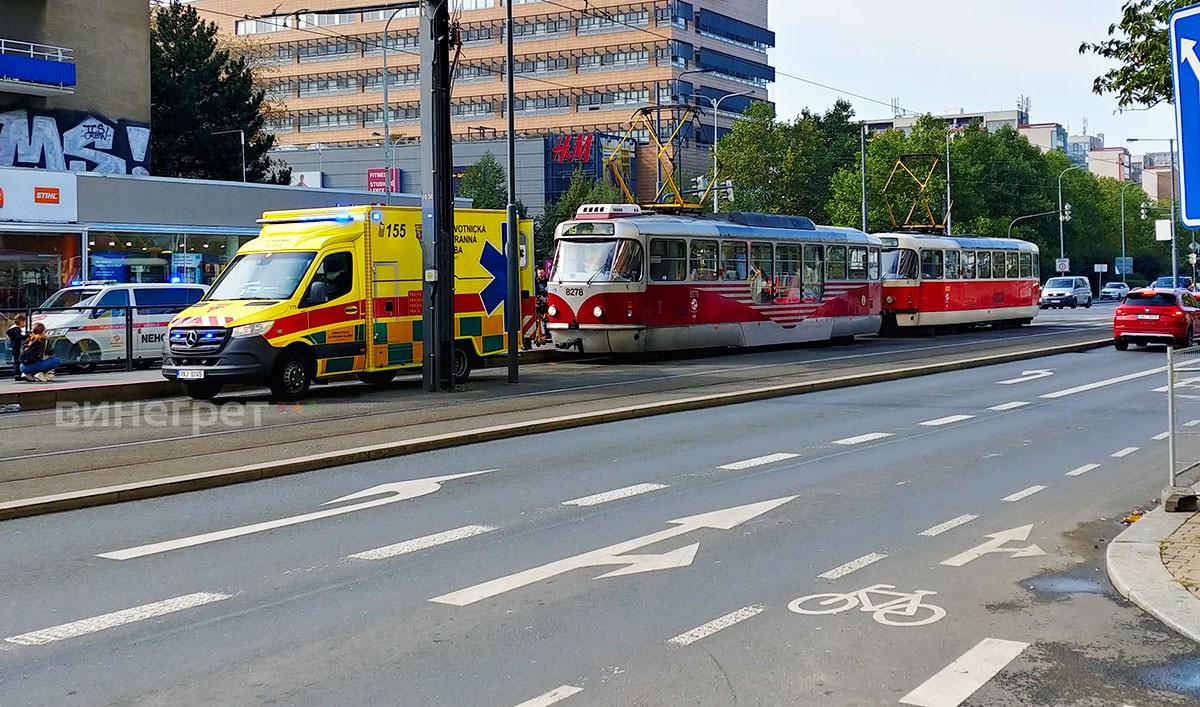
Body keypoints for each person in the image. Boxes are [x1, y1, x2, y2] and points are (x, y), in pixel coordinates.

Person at [6, 313, 26, 382]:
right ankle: (18, 374)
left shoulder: (13, 329)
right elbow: (19, 337)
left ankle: (17, 374)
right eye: (24, 322)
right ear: (21, 322)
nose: (25, 323)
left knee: (16, 360)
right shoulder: (18, 329)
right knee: (17, 361)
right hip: (17, 347)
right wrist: (26, 336)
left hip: (14, 347)